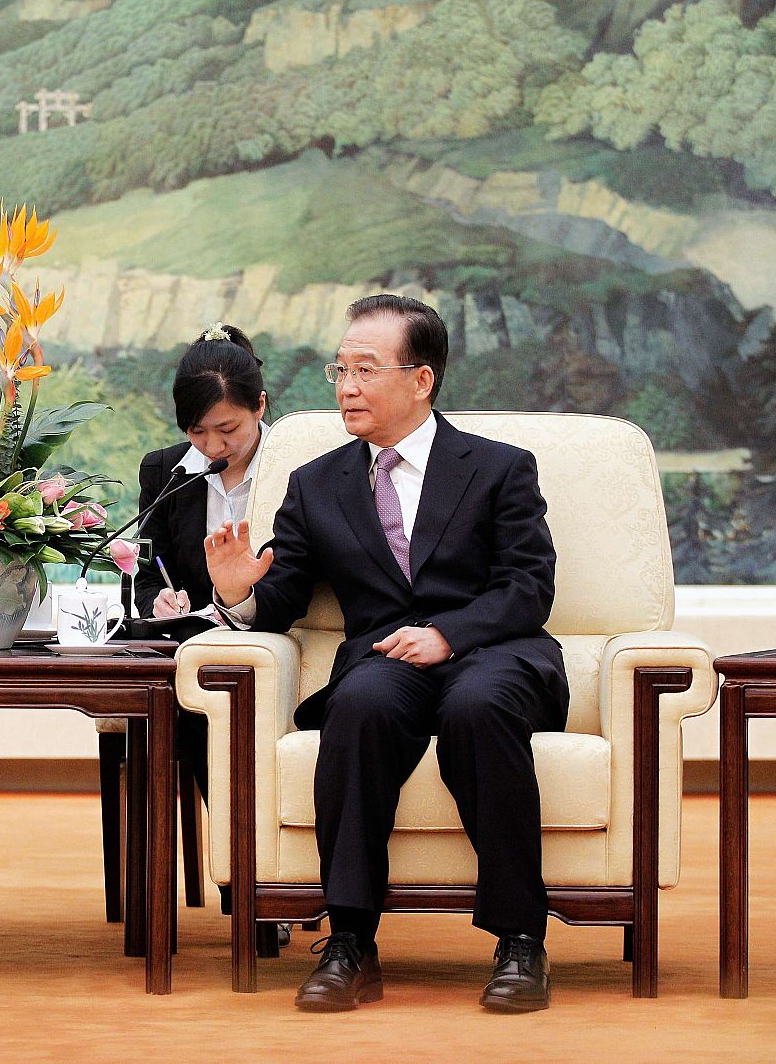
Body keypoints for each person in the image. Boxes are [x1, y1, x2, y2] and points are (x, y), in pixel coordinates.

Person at [204, 294, 567, 1013]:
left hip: (490, 648)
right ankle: (349, 943)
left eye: (365, 370)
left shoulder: (498, 469)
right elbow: (282, 600)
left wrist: (451, 634)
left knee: (479, 704)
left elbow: (530, 586)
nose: (345, 386)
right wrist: (237, 591)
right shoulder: (317, 485)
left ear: (421, 379)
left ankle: (521, 940)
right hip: (384, 660)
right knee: (361, 706)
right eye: (340, 370)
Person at [131, 322, 266, 913]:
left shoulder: (302, 467)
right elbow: (145, 567)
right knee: (195, 711)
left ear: (261, 406)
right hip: (198, 646)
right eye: (198, 432)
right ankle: (242, 874)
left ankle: (271, 874)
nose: (213, 446)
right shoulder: (165, 472)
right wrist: (158, 603)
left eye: (229, 429)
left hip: (273, 630)